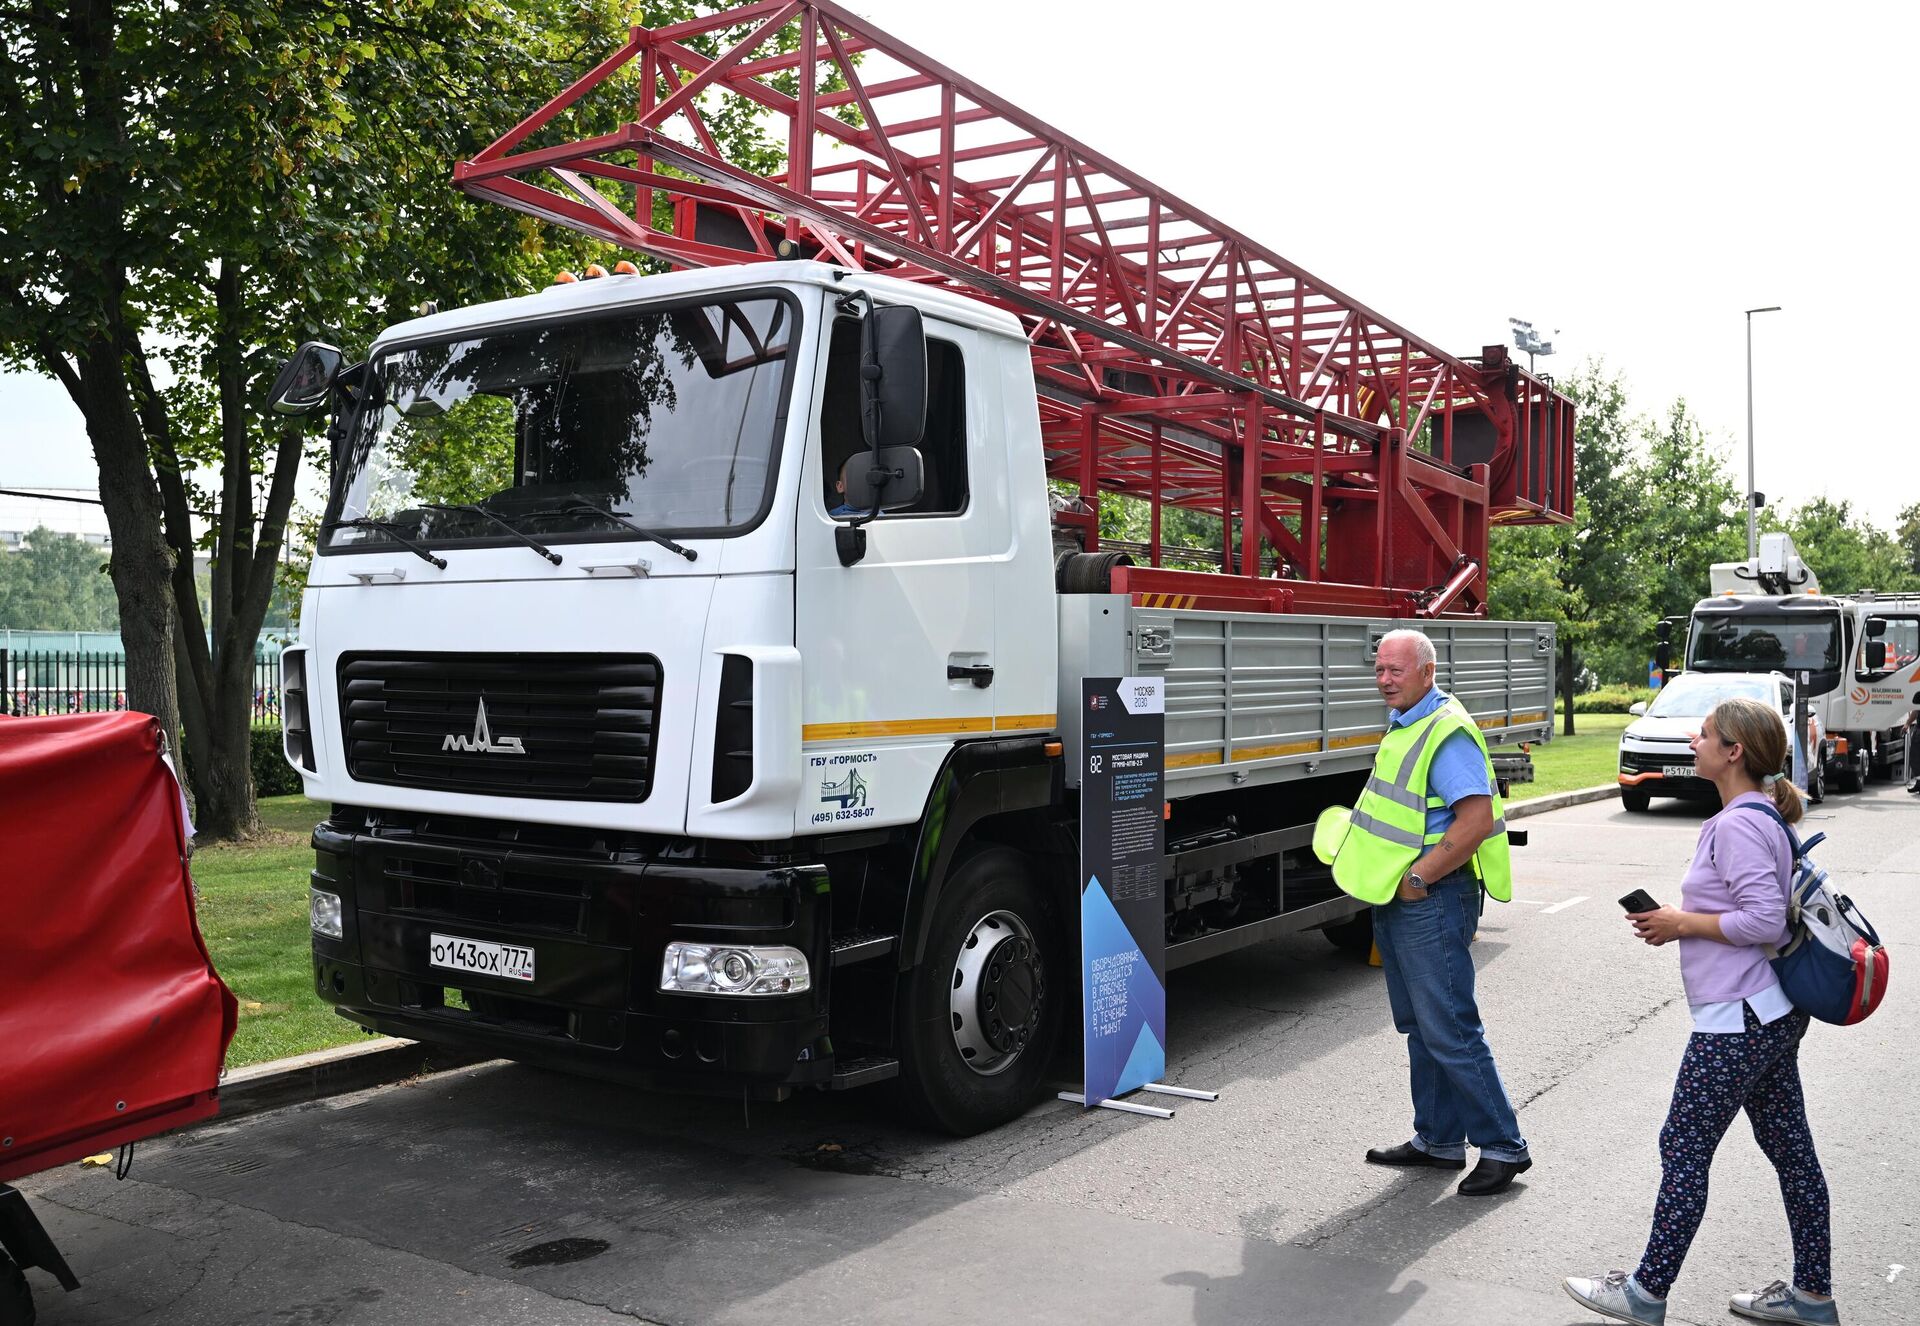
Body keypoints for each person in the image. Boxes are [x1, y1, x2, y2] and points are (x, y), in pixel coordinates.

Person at [1563, 696, 1834, 1326]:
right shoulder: (1760, 813)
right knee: (1793, 1153)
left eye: (1706, 734)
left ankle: (1644, 1293)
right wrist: (1680, 925)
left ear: (1734, 753)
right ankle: (1813, 1298)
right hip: (1769, 1013)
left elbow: (1764, 920)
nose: (1695, 740)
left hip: (1738, 1019)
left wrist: (1680, 922)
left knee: (1683, 1146)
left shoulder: (1739, 823)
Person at [1331, 628, 1530, 1197]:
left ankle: (1504, 1146)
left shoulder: (1445, 732)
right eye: (1379, 669)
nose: (1385, 679)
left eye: (1397, 670)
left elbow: (1474, 820)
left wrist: (1419, 878)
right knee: (1420, 1026)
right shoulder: (1408, 725)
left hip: (1431, 898)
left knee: (1449, 1028)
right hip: (1400, 898)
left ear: (1427, 672)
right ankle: (1438, 1140)